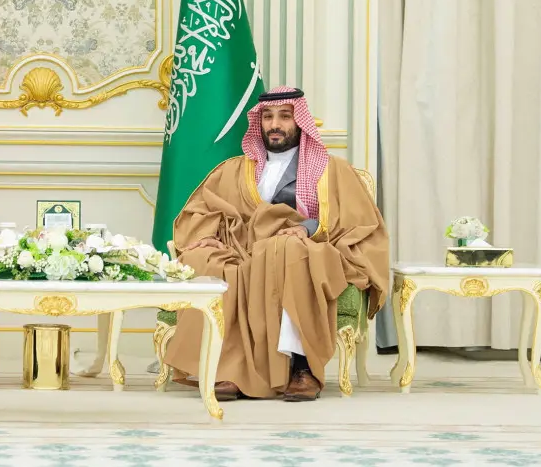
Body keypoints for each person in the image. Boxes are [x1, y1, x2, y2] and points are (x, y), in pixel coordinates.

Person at [164, 87, 389, 402]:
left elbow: (354, 222)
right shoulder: (236, 169)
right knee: (205, 258)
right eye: (268, 117)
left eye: (285, 116)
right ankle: (228, 369)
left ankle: (302, 368)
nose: (275, 124)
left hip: (310, 249)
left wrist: (305, 229)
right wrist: (214, 234)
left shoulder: (330, 169)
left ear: (300, 121)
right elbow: (203, 210)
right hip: (245, 248)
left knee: (285, 250)